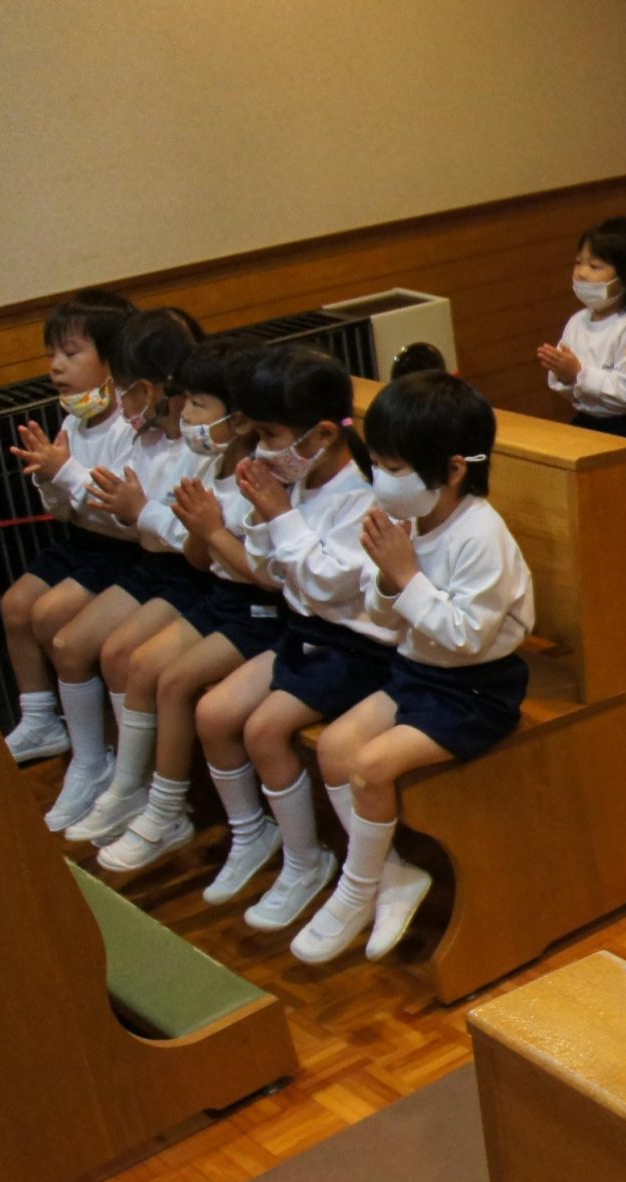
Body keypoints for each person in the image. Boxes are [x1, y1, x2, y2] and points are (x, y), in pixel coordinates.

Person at [291, 372, 535, 965]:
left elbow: (467, 637)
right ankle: (392, 876)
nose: (380, 480)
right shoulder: (411, 519)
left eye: (394, 468)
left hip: (476, 691)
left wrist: (405, 575)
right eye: (376, 463)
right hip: (418, 673)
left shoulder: (480, 534)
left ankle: (357, 890)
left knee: (371, 768)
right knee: (335, 749)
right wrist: (385, 575)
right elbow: (383, 617)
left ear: (452, 470)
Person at [191, 345, 383, 928]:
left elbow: (327, 585)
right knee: (213, 712)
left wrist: (277, 514)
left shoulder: (362, 494)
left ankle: (307, 860)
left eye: (271, 435)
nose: (262, 448)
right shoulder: (296, 481)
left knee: (263, 728)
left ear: (322, 433)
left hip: (358, 647)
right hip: (304, 632)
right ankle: (252, 834)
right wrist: (261, 515)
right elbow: (270, 571)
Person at [95, 335, 282, 872]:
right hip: (221, 595)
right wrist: (200, 531)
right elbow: (201, 560)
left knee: (177, 682)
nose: (185, 415)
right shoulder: (211, 465)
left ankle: (171, 811)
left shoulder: (259, 478)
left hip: (260, 612)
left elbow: (266, 577)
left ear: (240, 419)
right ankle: (137, 792)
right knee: (143, 663)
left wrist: (210, 530)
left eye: (198, 404)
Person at [3, 289, 139, 771]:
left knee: (50, 613)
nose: (56, 367)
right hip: (83, 538)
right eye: (51, 355)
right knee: (15, 604)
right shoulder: (74, 421)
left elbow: (123, 515)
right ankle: (40, 717)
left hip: (123, 549)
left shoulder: (129, 426)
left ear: (114, 360)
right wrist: (48, 478)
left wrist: (66, 472)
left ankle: (98, 746)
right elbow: (64, 511)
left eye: (70, 353)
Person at [539, 217, 626, 448]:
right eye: (578, 263)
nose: (581, 273)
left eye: (594, 266)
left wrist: (578, 374)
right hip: (586, 421)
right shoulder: (577, 321)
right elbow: (565, 388)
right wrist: (563, 375)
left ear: (625, 277)